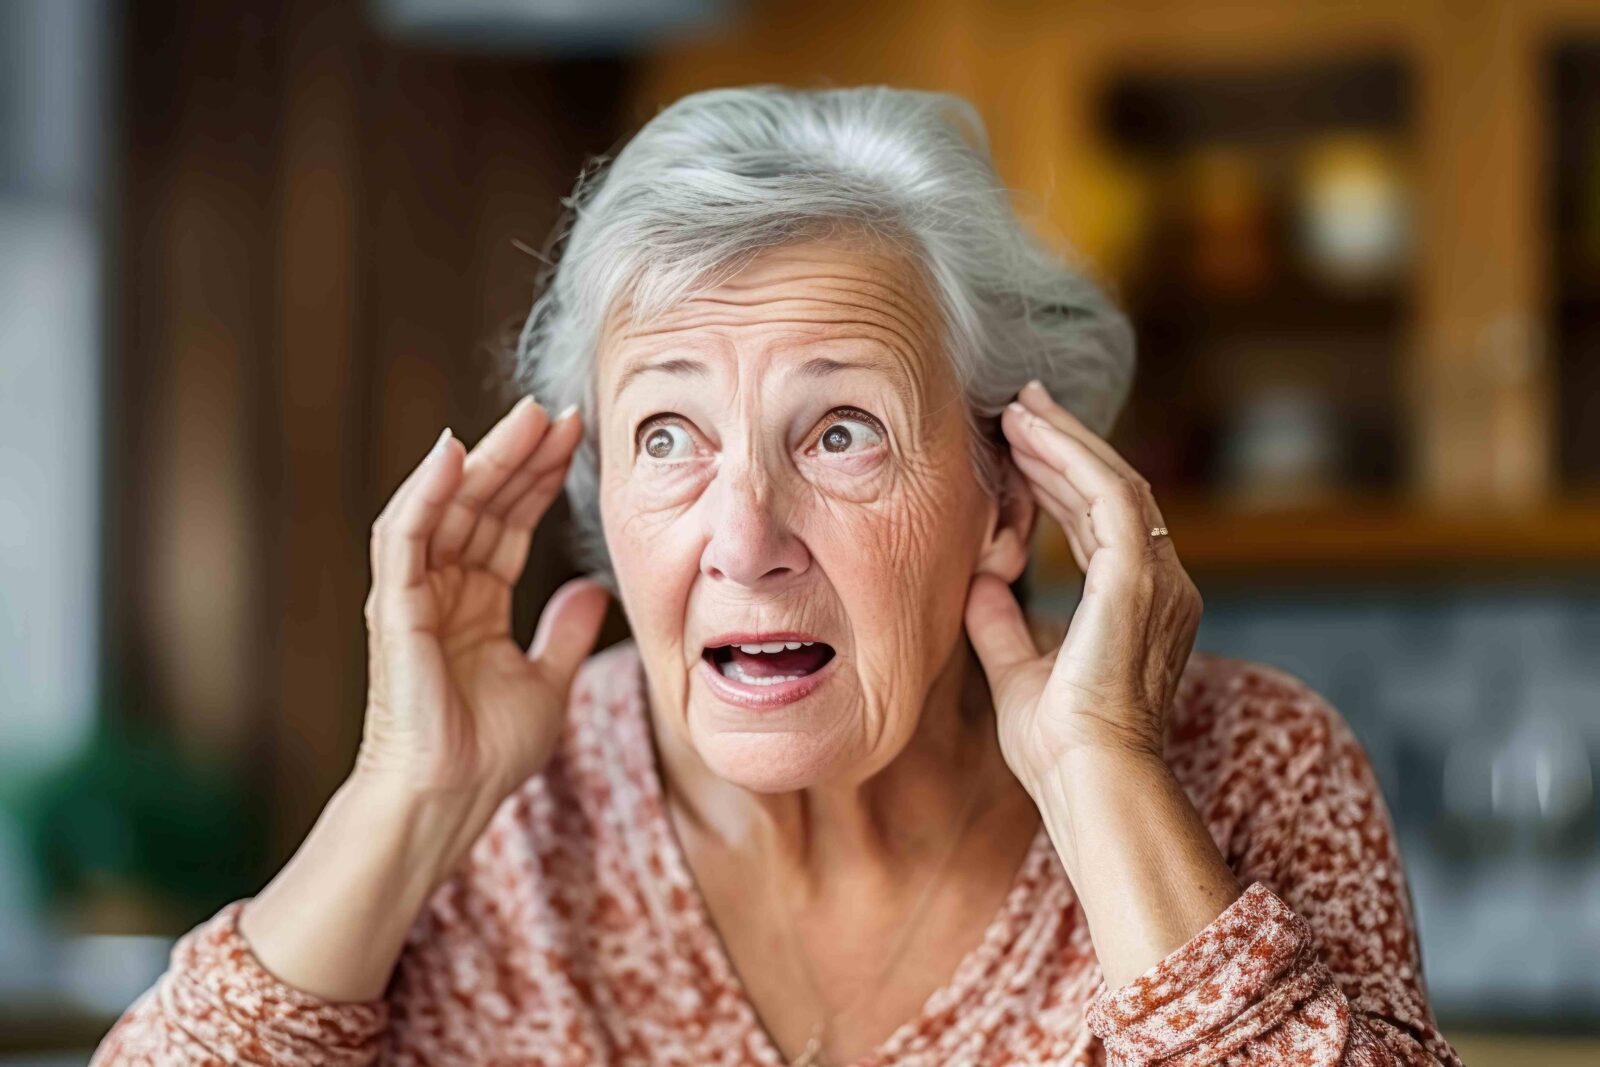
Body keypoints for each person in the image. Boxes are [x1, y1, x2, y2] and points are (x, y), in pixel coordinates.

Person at [92, 86, 1462, 1066]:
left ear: (1006, 498)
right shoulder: (507, 820)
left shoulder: (1247, 768)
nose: (745, 537)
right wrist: (408, 799)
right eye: (669, 437)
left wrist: (1105, 777)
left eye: (841, 430)